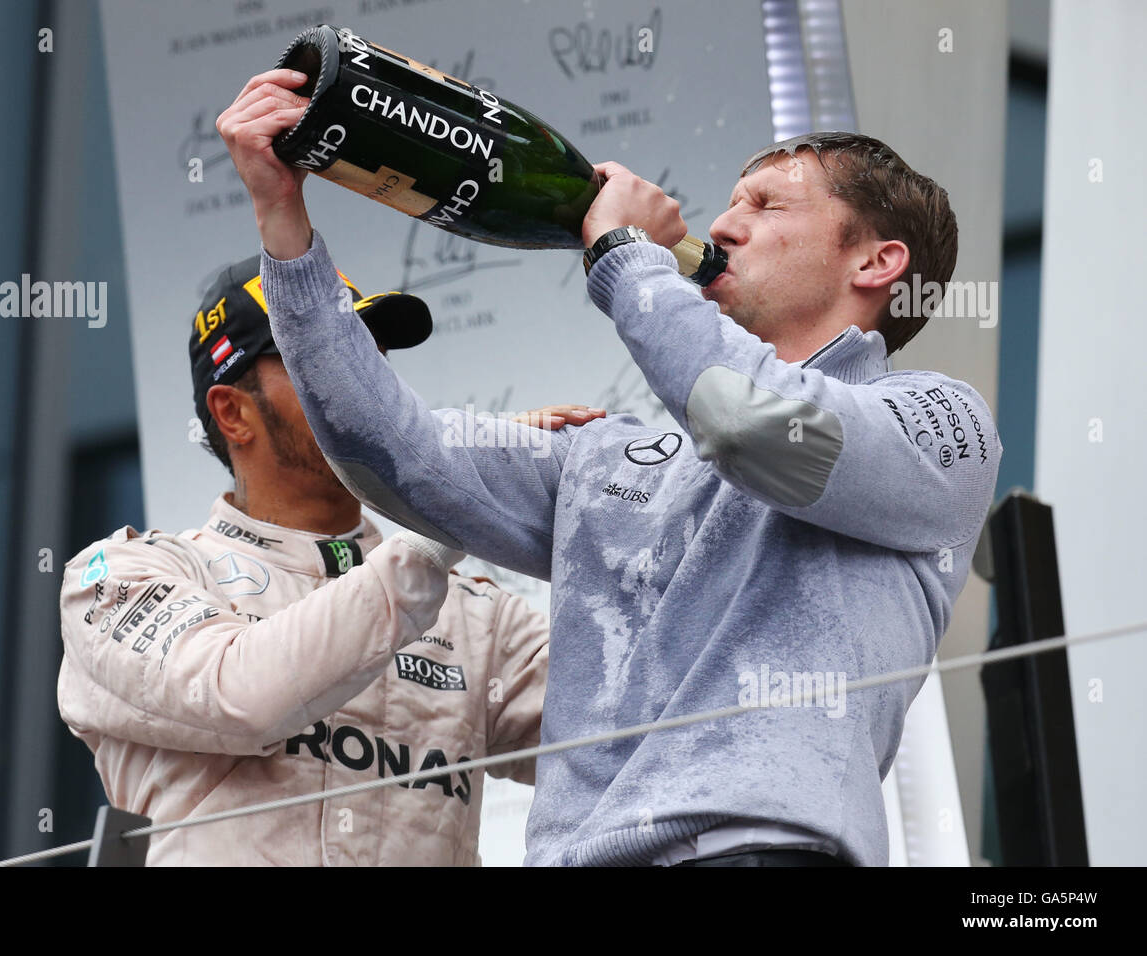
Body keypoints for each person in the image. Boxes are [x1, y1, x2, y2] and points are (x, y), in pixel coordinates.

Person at [216, 68, 1002, 866]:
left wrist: (625, 255)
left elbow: (746, 421)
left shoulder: (937, 426)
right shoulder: (611, 458)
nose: (725, 226)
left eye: (766, 206)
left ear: (876, 264)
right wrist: (282, 219)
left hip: (756, 849)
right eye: (731, 201)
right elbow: (381, 451)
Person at [57, 254, 604, 865]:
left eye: (368, 357)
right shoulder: (121, 576)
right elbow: (244, 697)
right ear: (233, 413)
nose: (359, 383)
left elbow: (638, 724)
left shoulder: (478, 614)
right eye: (316, 359)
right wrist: (452, 510)